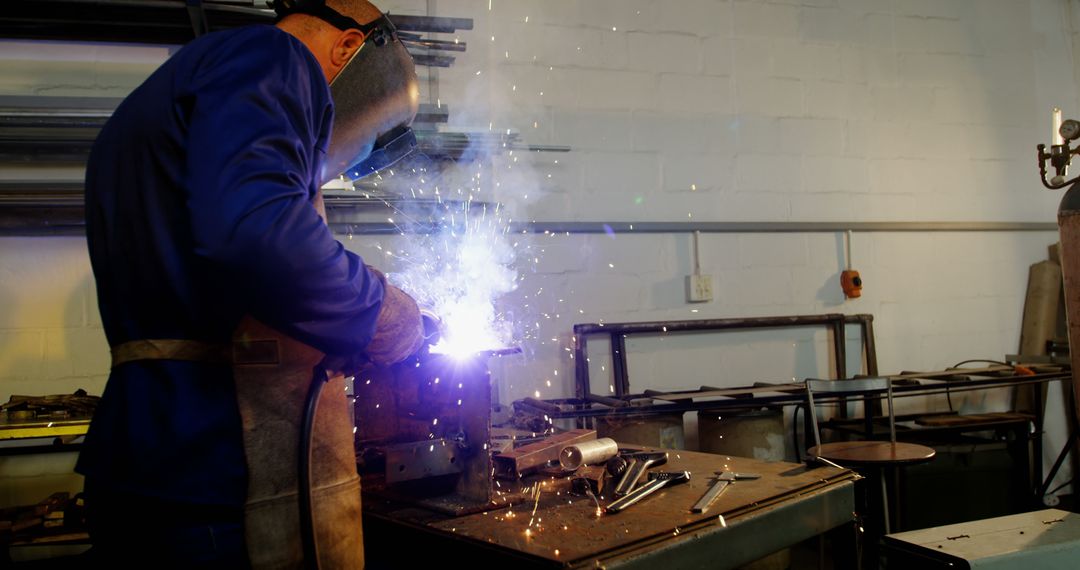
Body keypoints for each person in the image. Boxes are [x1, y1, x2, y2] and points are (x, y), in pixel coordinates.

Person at [79, 0, 422, 566]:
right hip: (216, 472)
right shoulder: (275, 58)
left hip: (148, 456)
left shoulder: (176, 91)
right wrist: (383, 311)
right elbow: (259, 235)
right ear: (347, 48)